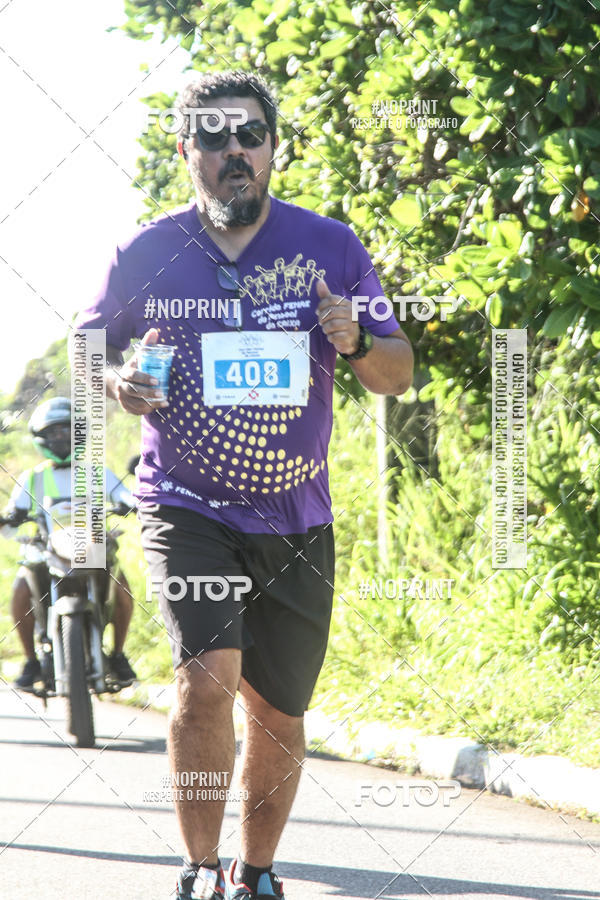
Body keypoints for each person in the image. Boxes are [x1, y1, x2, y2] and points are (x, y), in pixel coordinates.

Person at [74, 70, 413, 900]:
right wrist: (120, 381)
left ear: (272, 148)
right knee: (205, 681)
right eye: (215, 138)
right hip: (186, 503)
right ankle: (195, 870)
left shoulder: (330, 246)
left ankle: (255, 872)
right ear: (185, 149)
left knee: (278, 713)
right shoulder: (145, 252)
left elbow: (396, 376)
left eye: (250, 137)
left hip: (297, 514)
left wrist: (359, 336)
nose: (235, 153)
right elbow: (88, 357)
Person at [3, 396, 138, 689]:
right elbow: (11, 517)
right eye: (54, 432)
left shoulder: (97, 473)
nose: (61, 438)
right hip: (47, 552)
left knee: (123, 587)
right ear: (42, 438)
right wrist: (10, 519)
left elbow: (124, 495)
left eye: (67, 430)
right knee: (21, 589)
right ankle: (31, 661)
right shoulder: (32, 479)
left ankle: (117, 655)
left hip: (93, 549)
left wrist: (131, 503)